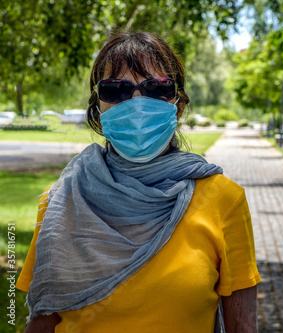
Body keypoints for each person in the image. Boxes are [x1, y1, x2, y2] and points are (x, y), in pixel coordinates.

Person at [16, 31, 261, 333]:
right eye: (116, 89)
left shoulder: (225, 200)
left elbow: (243, 327)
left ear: (178, 106)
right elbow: (42, 323)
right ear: (97, 110)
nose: (136, 103)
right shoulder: (60, 200)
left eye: (157, 88)